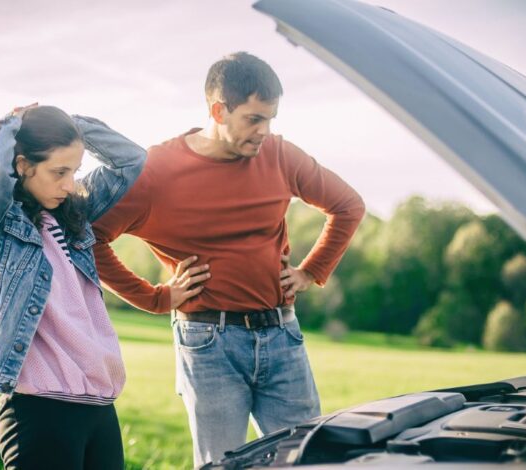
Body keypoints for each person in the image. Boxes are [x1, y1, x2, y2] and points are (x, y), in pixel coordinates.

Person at [92, 51, 366, 467]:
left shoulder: (279, 155)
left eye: (271, 119)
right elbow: (92, 238)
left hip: (282, 336)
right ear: (218, 110)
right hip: (208, 343)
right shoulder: (157, 172)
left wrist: (312, 270)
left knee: (308, 461)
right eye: (253, 119)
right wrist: (156, 298)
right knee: (222, 465)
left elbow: (348, 206)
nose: (264, 132)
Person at [0, 105, 147, 469]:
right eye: (59, 172)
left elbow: (131, 160)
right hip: (41, 410)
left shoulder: (72, 215)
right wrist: (12, 122)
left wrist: (72, 127)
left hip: (99, 407)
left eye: (74, 171)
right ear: (23, 165)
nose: (70, 184)